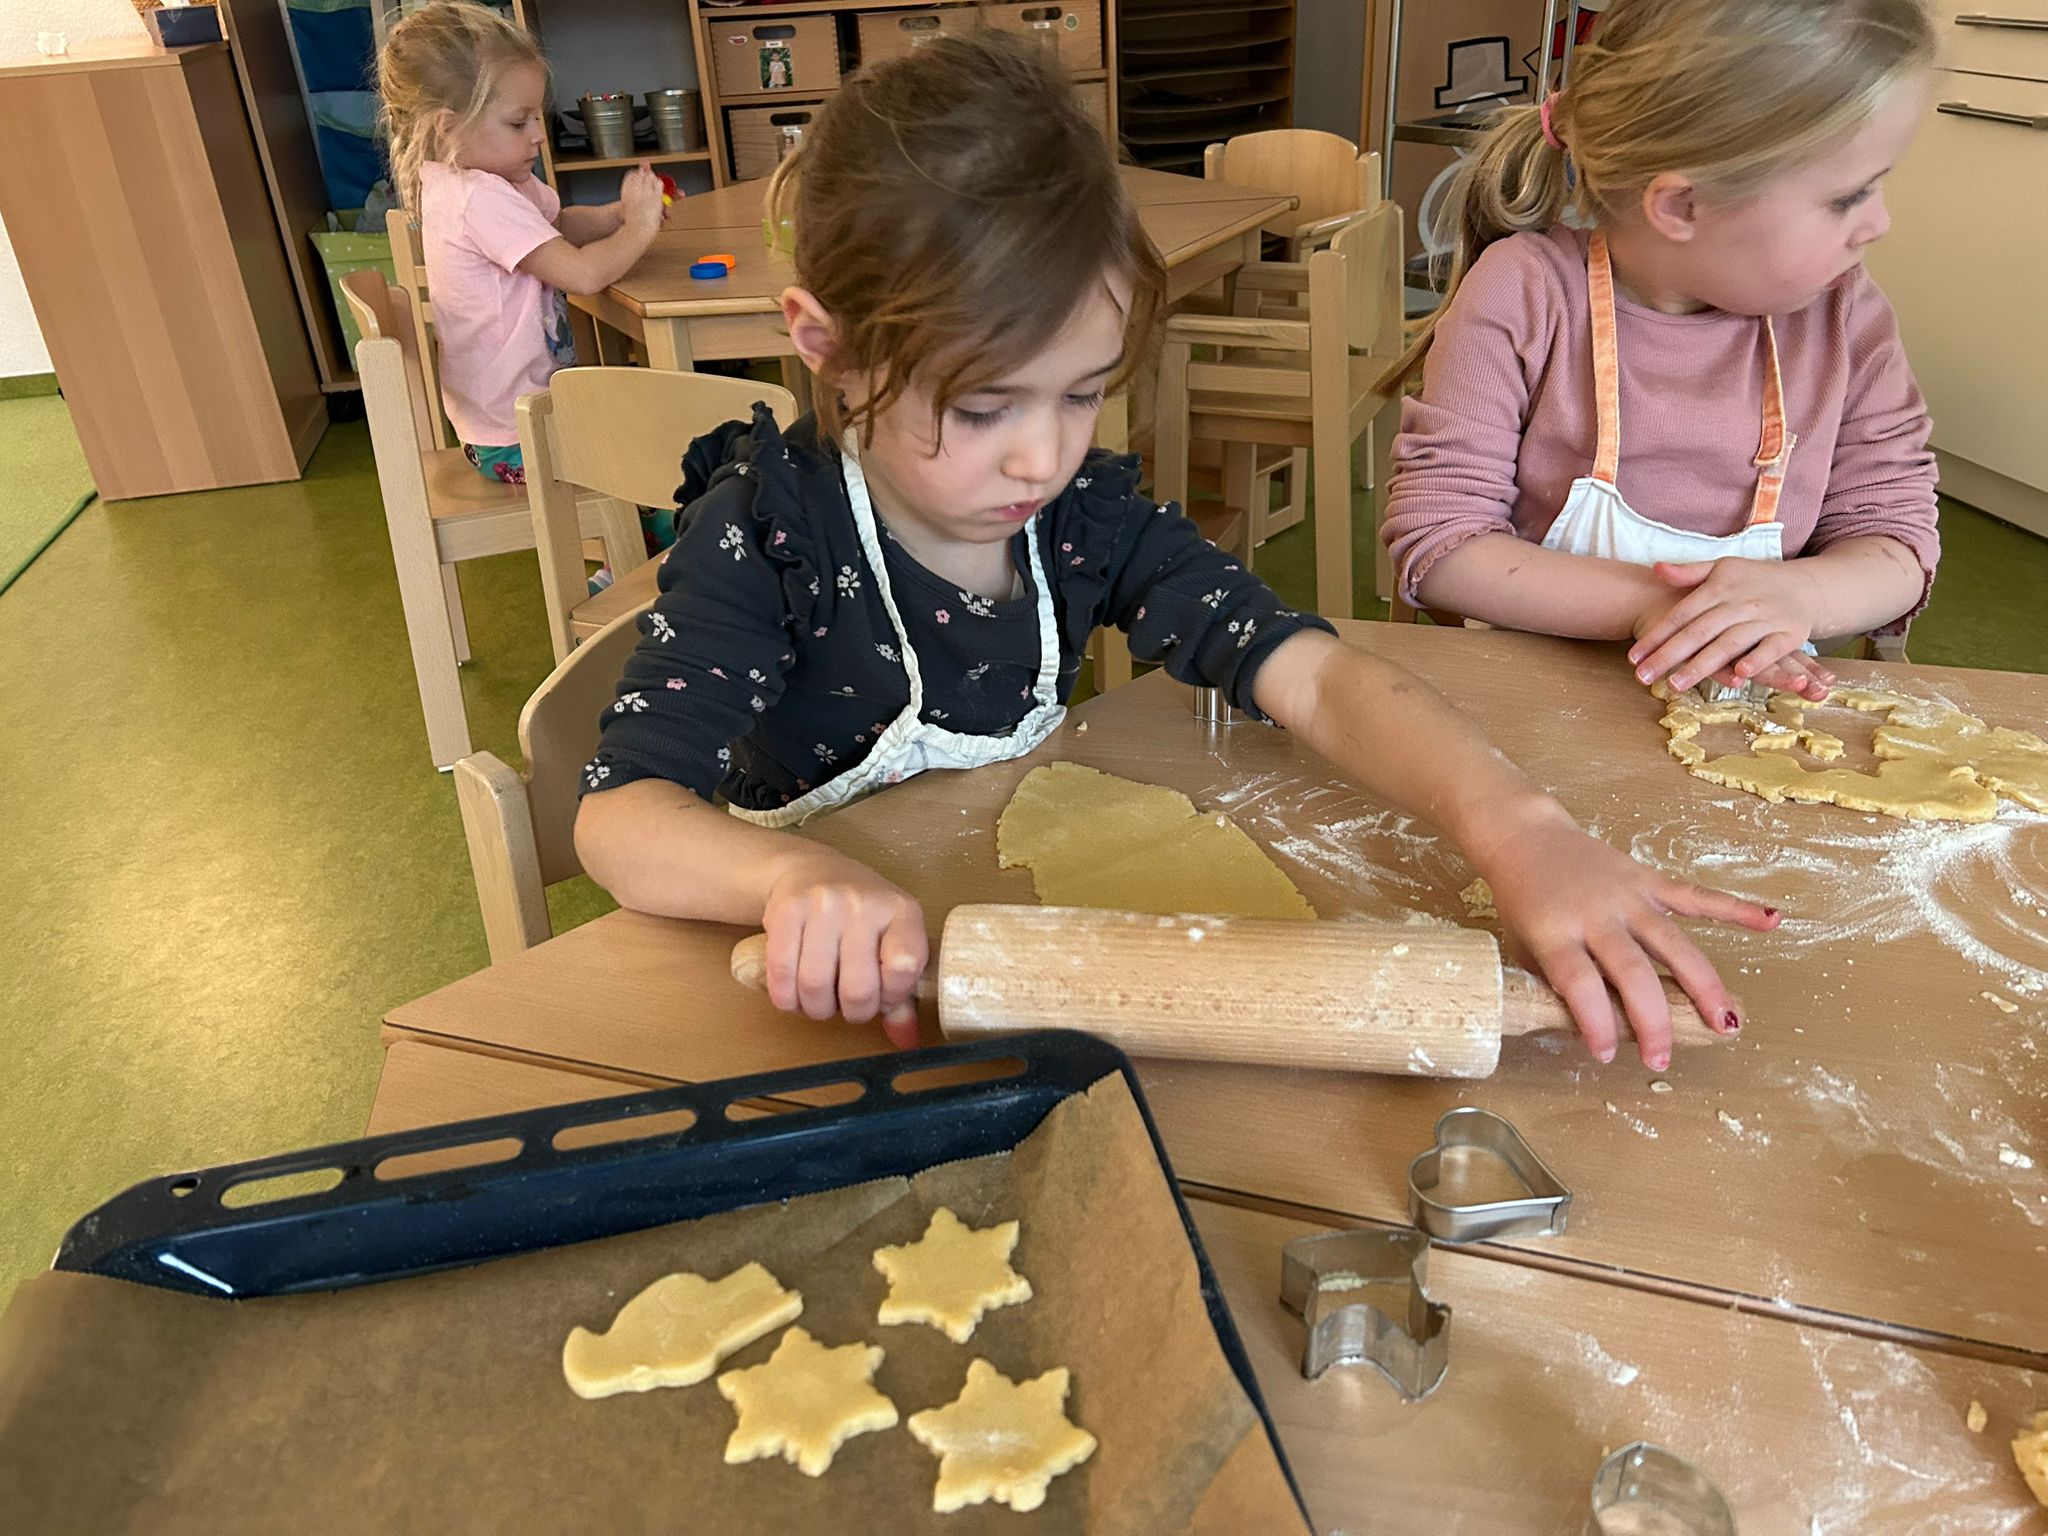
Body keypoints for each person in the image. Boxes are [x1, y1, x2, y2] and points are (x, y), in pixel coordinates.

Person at [574, 32, 1779, 1071]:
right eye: (985, 409)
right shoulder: (769, 535)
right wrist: (789, 886)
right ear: (824, 345)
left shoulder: (1076, 522)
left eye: (1082, 392)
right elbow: (621, 815)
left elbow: (1307, 670)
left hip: (1001, 958)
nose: (1040, 459)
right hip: (803, 999)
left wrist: (1520, 831)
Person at [1382, 0, 1940, 702]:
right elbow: (1440, 545)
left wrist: (1802, 595)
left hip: (1756, 709)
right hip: (1534, 697)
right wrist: (1654, 606)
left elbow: (1897, 541)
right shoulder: (1525, 293)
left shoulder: (1844, 318)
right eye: (1847, 198)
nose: (1879, 224)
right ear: (1680, 206)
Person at [378, 0, 666, 485]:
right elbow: (583, 273)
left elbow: (558, 229)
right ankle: (627, 560)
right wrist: (638, 230)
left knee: (643, 436)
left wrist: (619, 214)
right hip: (515, 437)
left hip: (510, 425)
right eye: (518, 122)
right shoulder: (479, 198)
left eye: (537, 118)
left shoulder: (482, 181)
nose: (538, 136)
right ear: (448, 126)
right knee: (652, 473)